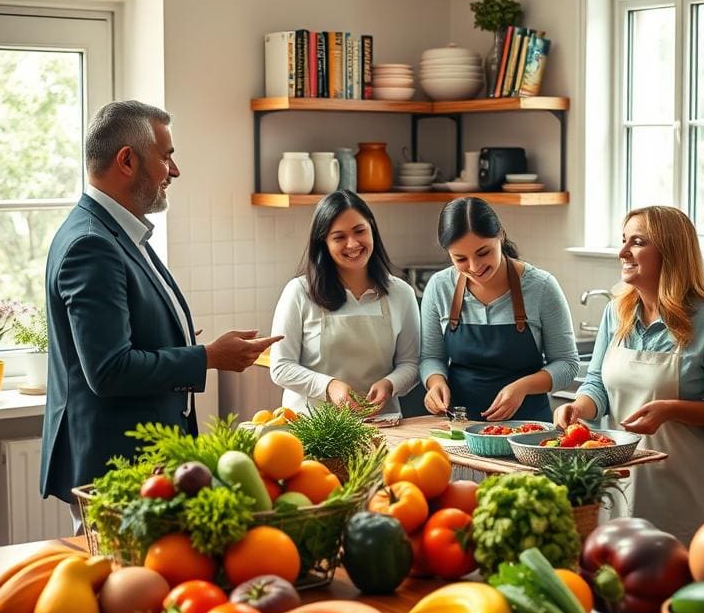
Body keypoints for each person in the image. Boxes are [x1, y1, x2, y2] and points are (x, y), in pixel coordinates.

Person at [41, 100, 280, 521]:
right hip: (115, 467)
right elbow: (108, 370)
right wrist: (208, 357)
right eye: (166, 156)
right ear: (127, 161)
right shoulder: (92, 244)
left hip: (137, 463)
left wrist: (177, 339)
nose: (175, 170)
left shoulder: (117, 230)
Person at [554, 206, 704, 545]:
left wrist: (671, 410)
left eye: (638, 242)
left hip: (682, 490)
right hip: (618, 483)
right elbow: (597, 383)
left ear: (670, 253)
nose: (623, 252)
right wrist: (579, 407)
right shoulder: (616, 313)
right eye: (624, 240)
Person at [420, 197, 578, 422]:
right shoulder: (439, 287)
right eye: (460, 258)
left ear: (500, 235)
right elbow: (431, 357)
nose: (474, 267)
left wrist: (522, 387)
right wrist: (435, 383)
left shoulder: (541, 287)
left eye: (483, 252)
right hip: (459, 427)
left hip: (528, 428)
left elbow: (567, 364)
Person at [270, 190, 420, 415]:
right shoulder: (299, 292)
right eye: (339, 237)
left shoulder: (401, 293)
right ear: (324, 242)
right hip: (310, 424)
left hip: (380, 423)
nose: (352, 244)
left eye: (360, 231)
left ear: (372, 229)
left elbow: (411, 364)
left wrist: (390, 384)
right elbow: (281, 368)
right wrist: (329, 386)